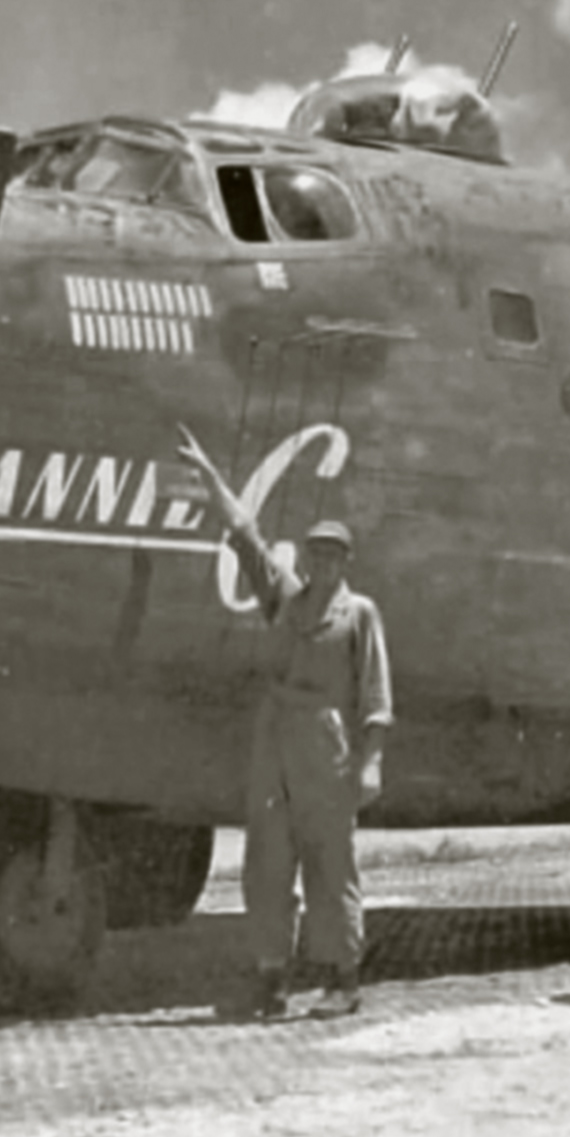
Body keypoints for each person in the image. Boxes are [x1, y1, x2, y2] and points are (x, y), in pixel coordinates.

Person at [178, 426, 393, 1019]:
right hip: (274, 738)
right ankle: (272, 981)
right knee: (267, 861)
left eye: (333, 554)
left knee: (331, 863)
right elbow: (245, 535)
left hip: (327, 745)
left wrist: (370, 764)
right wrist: (210, 475)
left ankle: (343, 980)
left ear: (346, 561)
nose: (322, 561)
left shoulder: (360, 615)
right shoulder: (286, 600)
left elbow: (376, 696)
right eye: (315, 552)